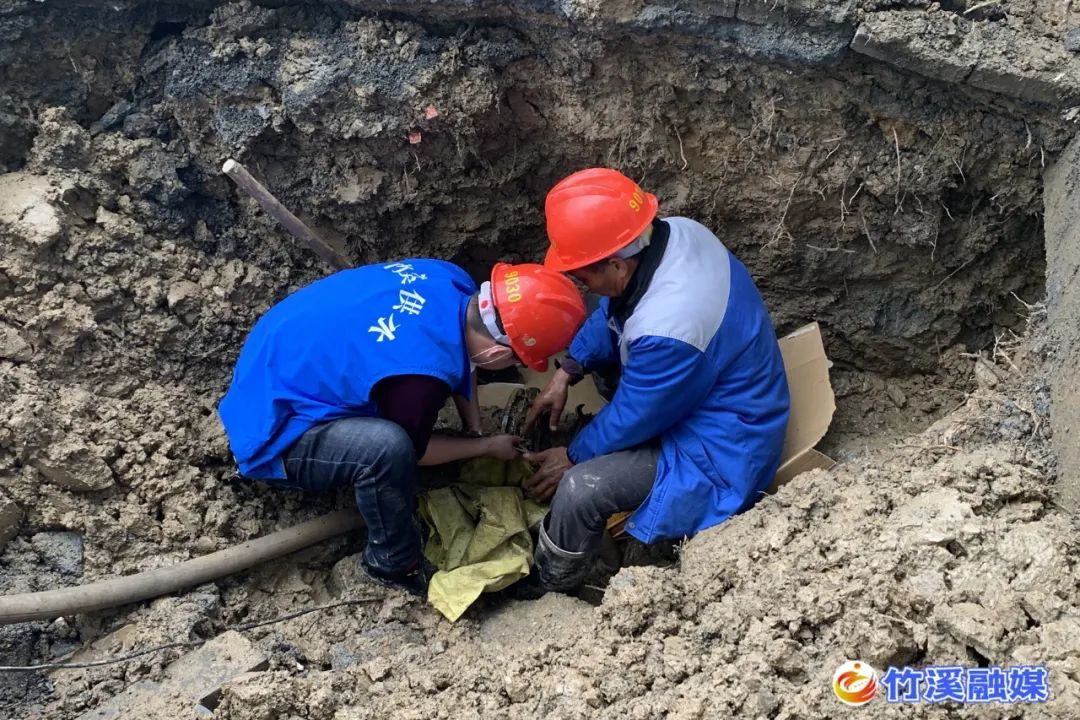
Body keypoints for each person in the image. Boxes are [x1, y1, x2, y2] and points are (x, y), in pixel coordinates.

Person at [219, 259, 586, 595]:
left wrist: (474, 428)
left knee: (396, 422)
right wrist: (485, 447)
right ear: (499, 354)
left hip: (273, 355)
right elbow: (416, 452)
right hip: (273, 431)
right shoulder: (420, 382)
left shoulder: (451, 279)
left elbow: (466, 358)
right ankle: (393, 562)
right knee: (387, 448)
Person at [518, 168, 791, 596]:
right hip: (715, 384)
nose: (581, 283)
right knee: (604, 323)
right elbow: (615, 311)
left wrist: (572, 455)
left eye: (584, 275)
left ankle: (552, 587)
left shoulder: (670, 325)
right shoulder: (674, 234)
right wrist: (568, 369)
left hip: (725, 445)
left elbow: (636, 415)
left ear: (617, 264)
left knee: (580, 489)